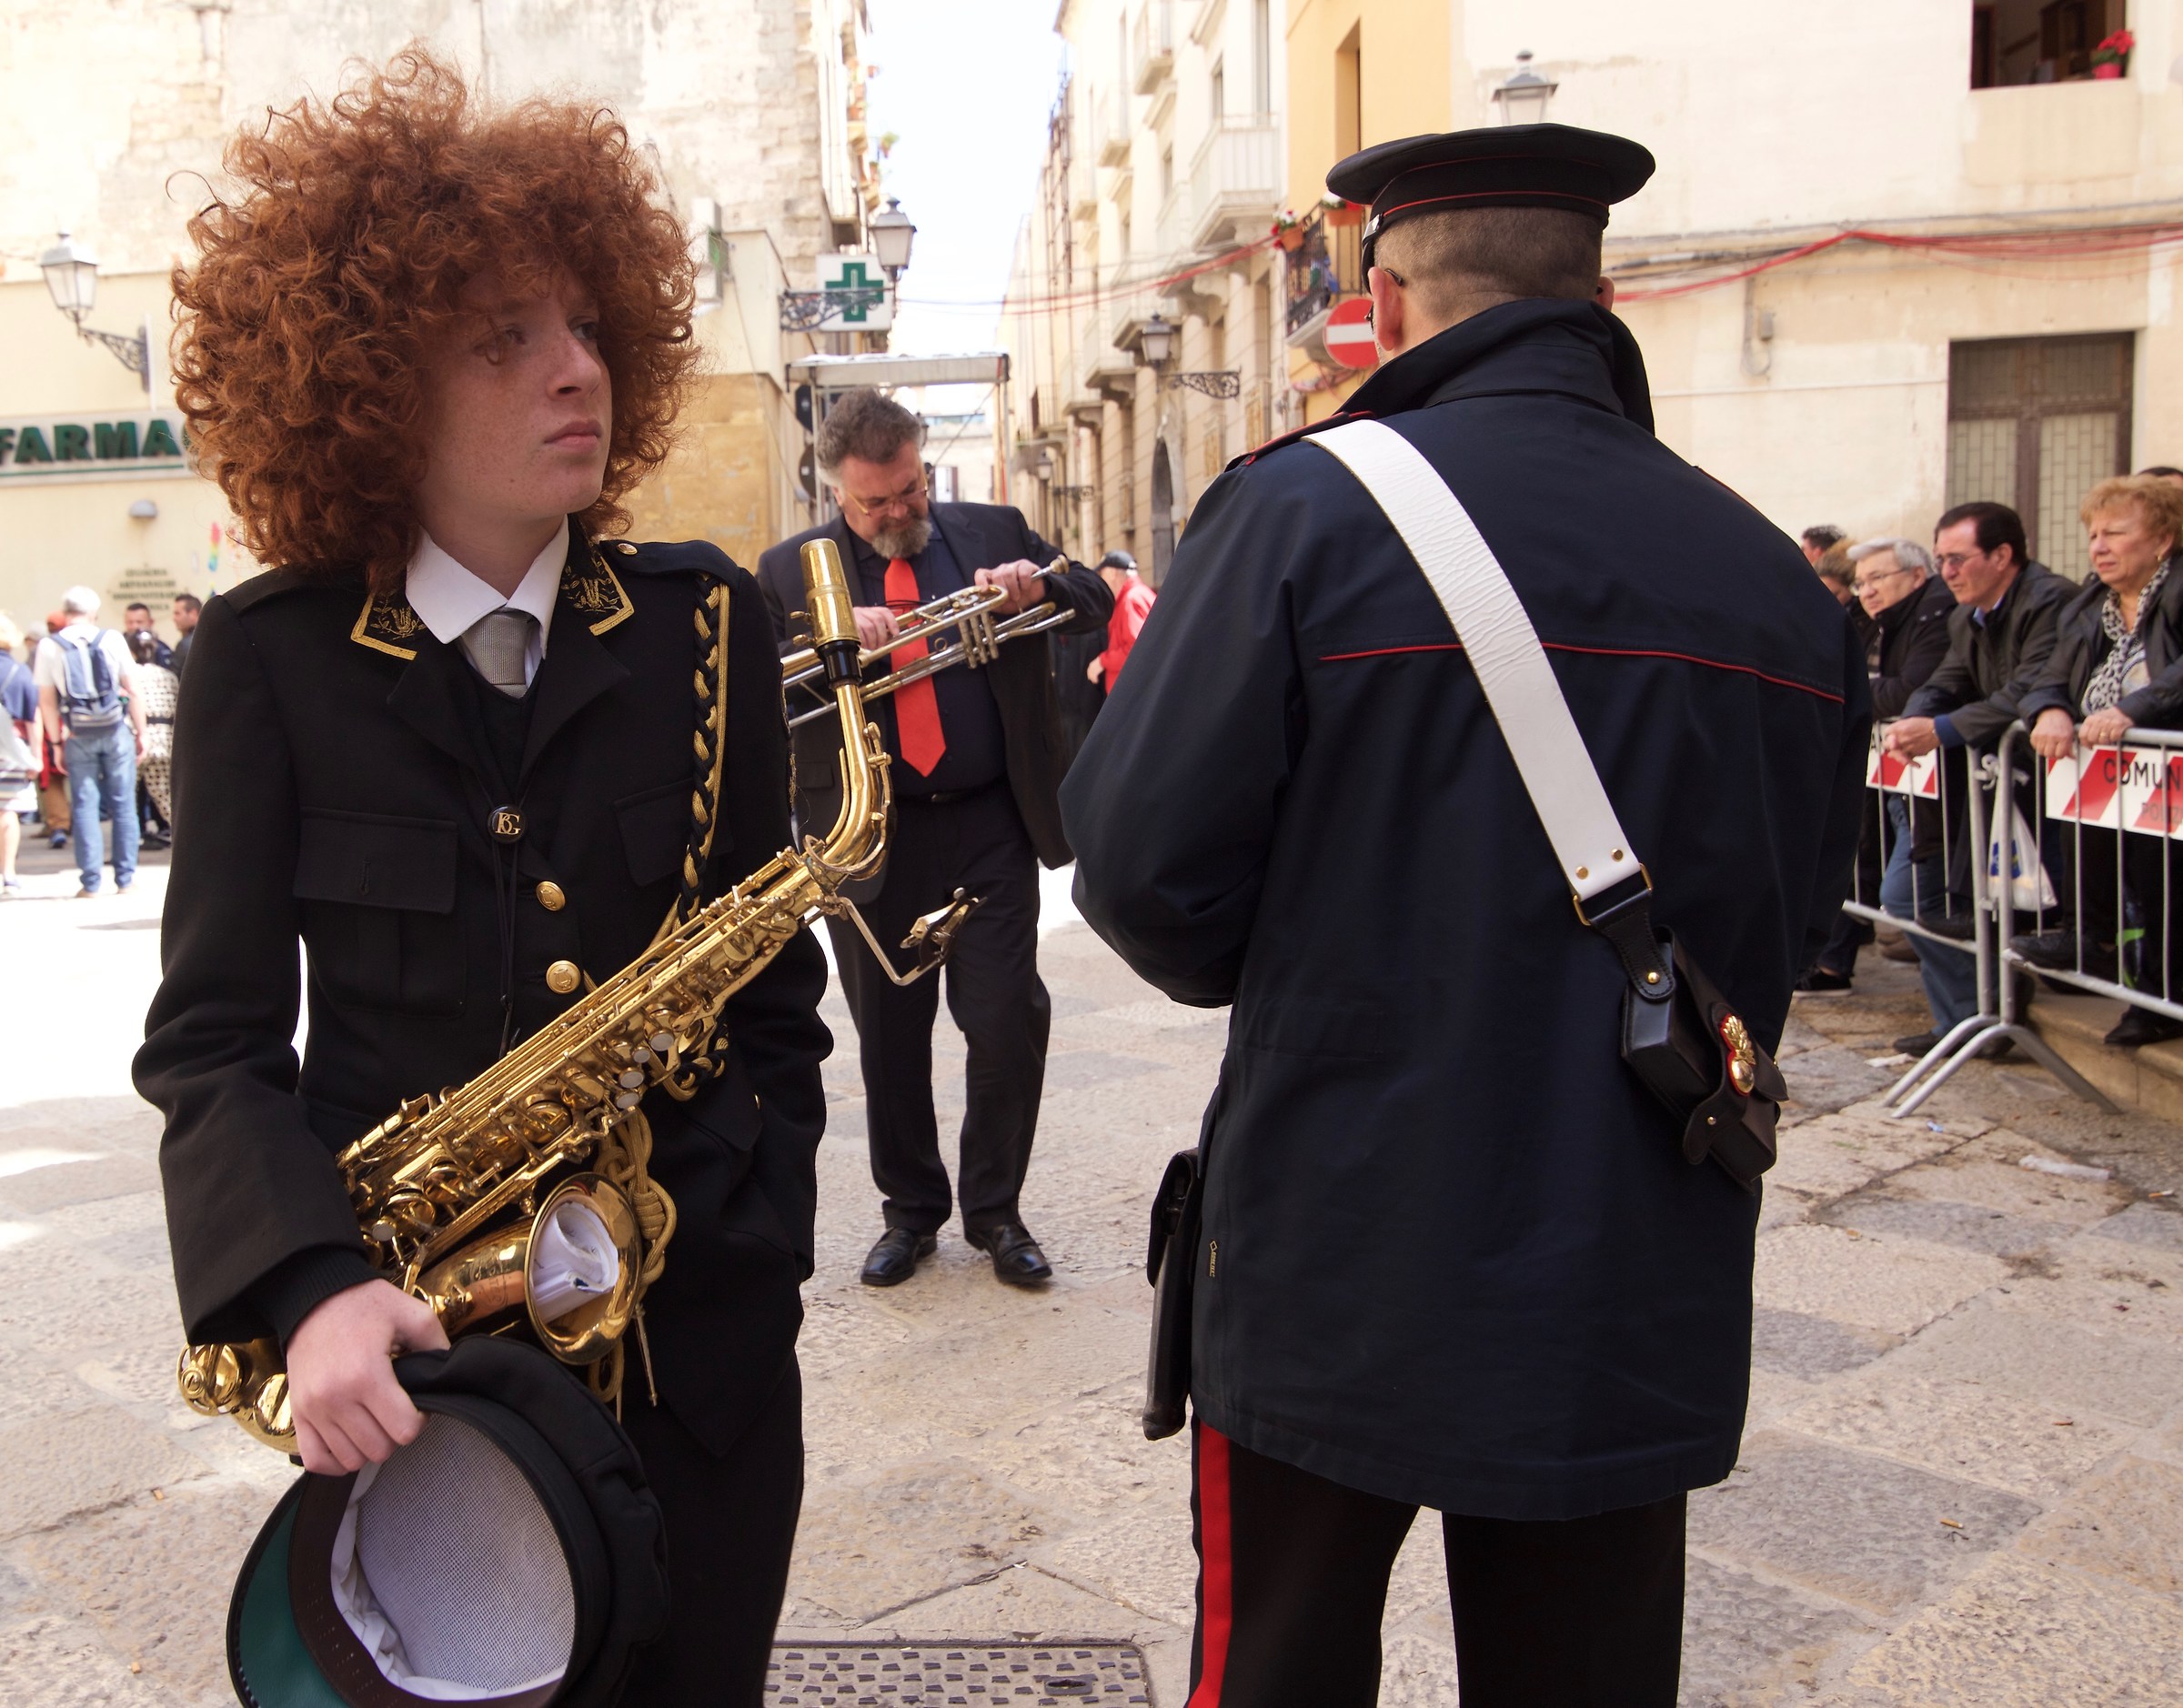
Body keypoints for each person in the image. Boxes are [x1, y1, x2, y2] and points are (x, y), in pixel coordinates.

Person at [1061, 125, 1867, 1708]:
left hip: (1338, 1248)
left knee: (1280, 1667)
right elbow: (1796, 929)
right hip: (1635, 1252)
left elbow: (1143, 875)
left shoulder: (1301, 513)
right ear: (1601, 296)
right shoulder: (1777, 578)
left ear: (1386, 296)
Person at [130, 51, 829, 1703]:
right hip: (424, 1372)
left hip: (704, 1372)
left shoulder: (704, 623)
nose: (576, 368)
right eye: (503, 337)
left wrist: (762, 1241)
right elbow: (214, 1041)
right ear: (374, 383)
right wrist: (309, 1291)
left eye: (585, 325)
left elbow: (774, 997)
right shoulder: (270, 660)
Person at [757, 388, 1112, 1289]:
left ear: (923, 465)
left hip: (989, 822)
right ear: (837, 492)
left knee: (1004, 1021)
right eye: (874, 501)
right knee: (889, 1035)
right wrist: (835, 635)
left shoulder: (993, 530)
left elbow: (1094, 598)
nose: (897, 512)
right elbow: (752, 687)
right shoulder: (792, 571)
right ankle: (910, 1214)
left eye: (910, 490)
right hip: (872, 833)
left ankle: (996, 1212)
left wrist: (1039, 584)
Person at [1885, 501, 2068, 1055]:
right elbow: (1945, 681)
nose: (1947, 571)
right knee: (1916, 899)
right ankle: (1967, 1014)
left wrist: (1940, 730)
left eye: (1958, 559)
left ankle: (1985, 1009)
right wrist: (1915, 720)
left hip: (2047, 781)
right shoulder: (1966, 617)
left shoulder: (2051, 600)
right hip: (1991, 785)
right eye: (1940, 558)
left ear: (2002, 555)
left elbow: (2028, 690)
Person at [2017, 474, 2183, 1046]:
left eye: (2115, 533)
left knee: (2167, 887)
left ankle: (2160, 1000)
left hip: (2166, 766)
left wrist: (2133, 709)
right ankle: (2100, 948)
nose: (2099, 546)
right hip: (2112, 769)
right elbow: (2050, 675)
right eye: (2093, 535)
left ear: (2162, 540)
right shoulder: (2091, 603)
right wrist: (2048, 711)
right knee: (2113, 868)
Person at [1801, 538, 1953, 992]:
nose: (1866, 591)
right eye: (1862, 582)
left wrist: (1857, 691)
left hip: (1930, 775)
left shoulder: (1936, 616)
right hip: (1889, 770)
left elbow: (1906, 690)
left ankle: (1974, 996)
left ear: (1916, 576)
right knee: (1868, 870)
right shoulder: (1881, 622)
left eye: (1877, 579)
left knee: (1904, 894)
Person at [34, 585, 144, 897]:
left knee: (84, 805)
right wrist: (142, 732)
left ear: (65, 612)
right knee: (123, 804)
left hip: (78, 734)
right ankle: (125, 880)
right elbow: (133, 689)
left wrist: (56, 744)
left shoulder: (49, 645)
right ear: (93, 612)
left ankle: (91, 883)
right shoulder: (112, 639)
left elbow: (47, 701)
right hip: (115, 730)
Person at [124, 628, 179, 834]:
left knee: (127, 796)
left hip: (137, 738)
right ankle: (185, 837)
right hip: (166, 739)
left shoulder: (129, 675)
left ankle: (131, 840)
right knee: (167, 797)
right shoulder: (168, 676)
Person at [0, 613, 35, 896]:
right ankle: (9, 874)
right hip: (10, 749)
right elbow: (31, 718)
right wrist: (35, 757)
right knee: (7, 810)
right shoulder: (19, 672)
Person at [121, 600, 174, 668]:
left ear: (151, 622)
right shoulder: (117, 648)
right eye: (130, 622)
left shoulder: (161, 649)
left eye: (139, 622)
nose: (135, 626)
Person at [170, 591, 202, 673]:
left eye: (177, 613)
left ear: (193, 614)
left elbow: (175, 676)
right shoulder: (210, 637)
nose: (174, 618)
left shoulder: (185, 645)